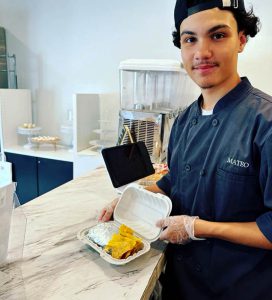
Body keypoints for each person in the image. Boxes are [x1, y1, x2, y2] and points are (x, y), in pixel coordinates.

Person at [99, 0, 272, 299]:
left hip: (240, 288)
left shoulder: (264, 122)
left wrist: (198, 228)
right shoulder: (183, 120)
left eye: (218, 36)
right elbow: (174, 183)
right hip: (180, 285)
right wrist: (134, 198)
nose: (201, 53)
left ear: (242, 39)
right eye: (189, 39)